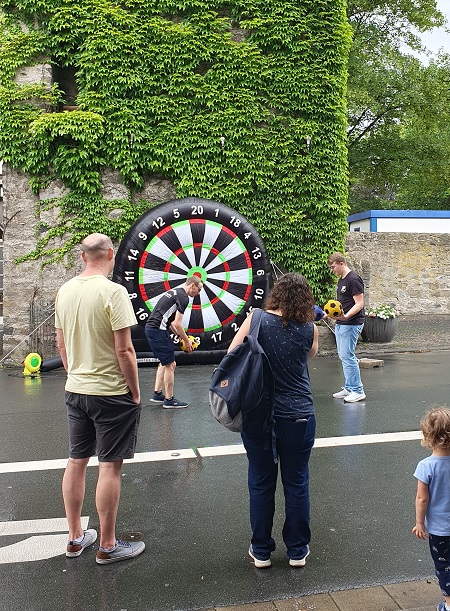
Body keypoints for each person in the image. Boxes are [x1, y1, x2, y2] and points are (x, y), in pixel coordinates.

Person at [55, 233, 145, 565]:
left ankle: (75, 538)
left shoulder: (64, 291)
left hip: (76, 388)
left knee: (76, 460)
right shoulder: (114, 292)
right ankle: (108, 545)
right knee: (109, 466)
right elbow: (124, 350)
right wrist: (135, 391)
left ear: (82, 257)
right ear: (110, 253)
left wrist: (74, 375)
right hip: (110, 392)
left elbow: (61, 345)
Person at [228, 272, 318, 568]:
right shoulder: (309, 328)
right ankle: (297, 551)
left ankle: (262, 550)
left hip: (259, 415)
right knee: (297, 482)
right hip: (299, 414)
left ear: (276, 293)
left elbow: (232, 354)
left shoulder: (255, 319)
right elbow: (309, 356)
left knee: (261, 482)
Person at [145, 275, 203, 408]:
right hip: (157, 330)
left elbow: (171, 322)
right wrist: (187, 341)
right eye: (199, 290)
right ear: (192, 285)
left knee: (165, 362)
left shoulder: (174, 292)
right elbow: (177, 323)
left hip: (154, 329)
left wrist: (182, 336)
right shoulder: (184, 297)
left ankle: (157, 393)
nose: (198, 293)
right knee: (171, 364)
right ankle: (169, 399)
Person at [412, 407, 450, 611]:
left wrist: (419, 523)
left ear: (428, 436)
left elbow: (422, 498)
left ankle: (449, 604)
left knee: (444, 567)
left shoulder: (426, 466)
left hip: (440, 530)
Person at [327, 252, 366, 403]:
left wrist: (346, 316)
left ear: (341, 263)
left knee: (348, 356)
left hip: (351, 323)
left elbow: (359, 304)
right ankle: (349, 388)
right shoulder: (342, 280)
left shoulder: (353, 279)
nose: (332, 270)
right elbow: (342, 304)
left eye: (333, 267)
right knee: (344, 356)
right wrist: (328, 314)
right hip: (342, 323)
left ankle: (358, 390)